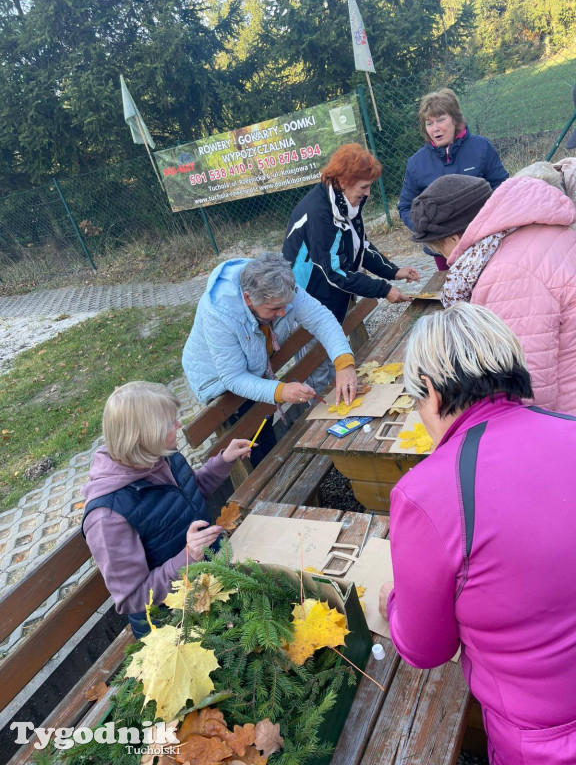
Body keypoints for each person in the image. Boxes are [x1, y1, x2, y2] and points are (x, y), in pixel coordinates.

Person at [378, 303, 576, 765]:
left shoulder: (427, 492)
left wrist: (393, 602)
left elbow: (426, 648)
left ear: (429, 389)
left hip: (541, 739)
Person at [81, 381, 252, 638]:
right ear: (144, 436)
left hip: (208, 577)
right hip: (171, 623)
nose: (178, 425)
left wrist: (222, 462)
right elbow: (132, 598)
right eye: (170, 423)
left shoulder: (160, 456)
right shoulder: (108, 517)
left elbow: (188, 496)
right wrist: (188, 557)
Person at [410, 172, 576, 414]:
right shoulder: (535, 229)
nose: (447, 260)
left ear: (456, 237)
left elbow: (526, 388)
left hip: (563, 420)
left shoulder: (506, 273)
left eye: (441, 250)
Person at [182, 251, 358, 411]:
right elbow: (234, 376)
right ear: (248, 299)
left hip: (253, 369)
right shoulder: (219, 314)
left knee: (262, 420)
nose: (283, 312)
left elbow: (321, 319)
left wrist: (344, 363)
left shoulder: (278, 284)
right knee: (251, 436)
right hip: (219, 384)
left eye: (285, 305)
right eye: (275, 309)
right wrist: (282, 390)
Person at [282, 143, 420, 326]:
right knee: (318, 353)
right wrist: (384, 290)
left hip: (329, 294)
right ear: (343, 181)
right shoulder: (319, 213)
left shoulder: (346, 202)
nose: (368, 193)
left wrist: (394, 271)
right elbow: (337, 272)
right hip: (306, 301)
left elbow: (360, 245)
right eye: (364, 187)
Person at [398, 88, 508, 271]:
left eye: (441, 119)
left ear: (456, 120)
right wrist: (428, 231)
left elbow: (502, 186)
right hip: (443, 251)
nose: (435, 128)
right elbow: (405, 206)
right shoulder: (416, 163)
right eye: (429, 123)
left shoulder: (481, 147)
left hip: (484, 239)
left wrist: (488, 218)